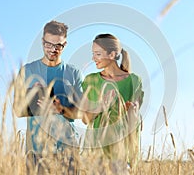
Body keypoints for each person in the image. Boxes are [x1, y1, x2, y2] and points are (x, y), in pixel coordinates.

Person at [57, 33, 144, 173]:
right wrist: (101, 106)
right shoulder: (91, 81)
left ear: (112, 55)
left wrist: (132, 111)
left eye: (97, 54)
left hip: (121, 153)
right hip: (95, 153)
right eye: (93, 54)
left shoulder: (134, 81)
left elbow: (134, 123)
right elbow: (86, 119)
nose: (93, 58)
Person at [13, 20, 83, 174]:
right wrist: (31, 96)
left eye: (59, 45)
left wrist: (60, 109)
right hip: (36, 150)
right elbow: (17, 110)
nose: (53, 49)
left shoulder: (74, 73)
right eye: (48, 44)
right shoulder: (27, 71)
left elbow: (82, 112)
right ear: (42, 41)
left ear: (65, 44)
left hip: (68, 148)